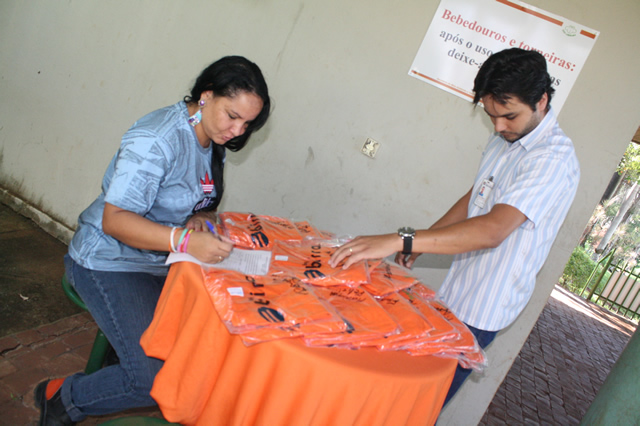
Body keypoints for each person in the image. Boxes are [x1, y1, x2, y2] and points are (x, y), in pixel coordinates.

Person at [329, 48, 580, 405]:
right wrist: (415, 241)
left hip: (483, 306)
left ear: (541, 101)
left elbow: (493, 229)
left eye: (508, 116)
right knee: (406, 392)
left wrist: (401, 239)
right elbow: (478, 193)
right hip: (458, 290)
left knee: (421, 403)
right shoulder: (506, 137)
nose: (498, 127)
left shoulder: (552, 159)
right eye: (491, 115)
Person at [35, 56, 271, 425]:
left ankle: (122, 356)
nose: (238, 130)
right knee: (152, 380)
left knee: (209, 343)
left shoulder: (211, 138)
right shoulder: (157, 139)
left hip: (158, 260)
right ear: (206, 96)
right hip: (108, 259)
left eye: (247, 123)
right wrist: (184, 241)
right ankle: (62, 398)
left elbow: (198, 200)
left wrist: (199, 218)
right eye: (232, 115)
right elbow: (115, 221)